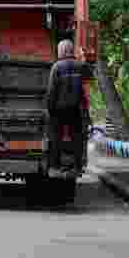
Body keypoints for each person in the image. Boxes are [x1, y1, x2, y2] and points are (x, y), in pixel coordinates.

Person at [45, 39, 89, 177]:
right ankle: (76, 166)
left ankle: (55, 166)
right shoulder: (79, 66)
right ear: (71, 50)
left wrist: (49, 109)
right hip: (75, 108)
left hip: (59, 109)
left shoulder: (56, 67)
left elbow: (52, 90)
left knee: (56, 137)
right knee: (76, 138)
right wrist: (83, 58)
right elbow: (88, 78)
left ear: (61, 51)